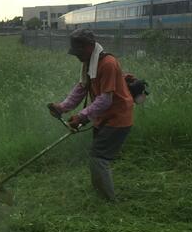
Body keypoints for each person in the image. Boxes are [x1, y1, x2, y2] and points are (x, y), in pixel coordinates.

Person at [48, 28, 133, 201]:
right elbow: (81, 88)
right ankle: (100, 193)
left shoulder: (108, 63)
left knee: (98, 157)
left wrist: (81, 116)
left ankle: (108, 201)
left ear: (90, 46)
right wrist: (63, 107)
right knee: (97, 156)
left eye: (79, 51)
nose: (77, 56)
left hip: (117, 118)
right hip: (102, 117)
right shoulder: (89, 63)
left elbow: (105, 100)